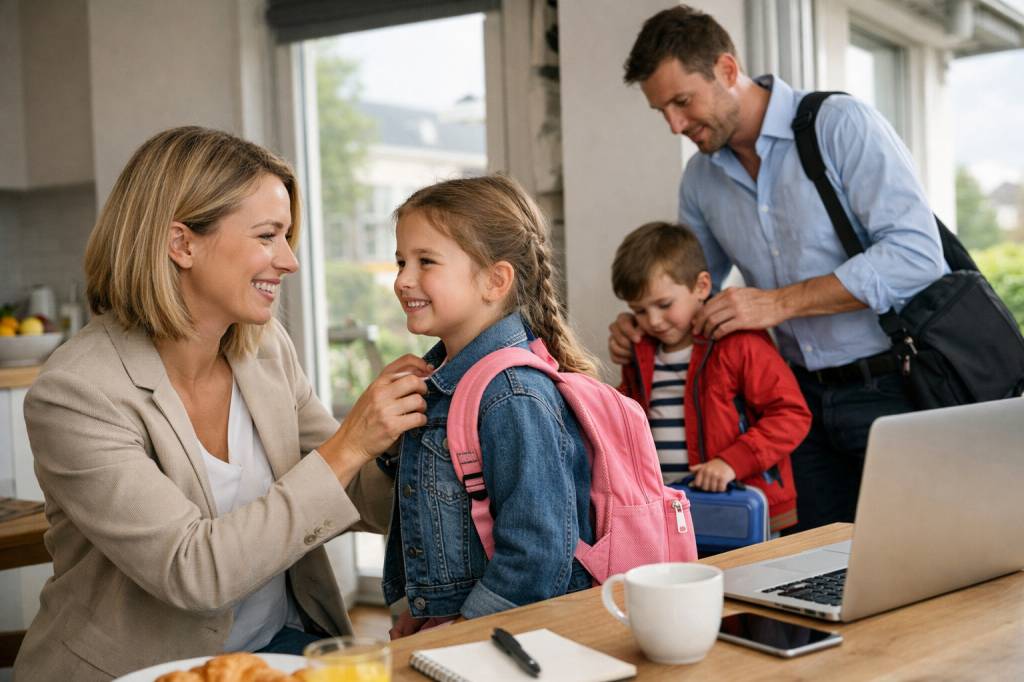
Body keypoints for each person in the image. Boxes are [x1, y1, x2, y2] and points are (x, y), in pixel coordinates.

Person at [14, 127, 431, 681]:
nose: (290, 261)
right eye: (268, 236)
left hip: (277, 648)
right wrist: (352, 442)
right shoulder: (76, 393)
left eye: (287, 237)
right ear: (182, 244)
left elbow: (352, 492)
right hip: (142, 671)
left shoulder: (264, 350)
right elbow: (194, 571)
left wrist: (424, 445)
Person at [608, 6, 945, 531]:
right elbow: (693, 287)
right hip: (791, 405)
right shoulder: (700, 180)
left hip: (891, 390)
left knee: (916, 553)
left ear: (726, 69)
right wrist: (643, 325)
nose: (675, 125)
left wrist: (779, 303)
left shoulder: (839, 124)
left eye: (682, 102)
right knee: (812, 566)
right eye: (662, 112)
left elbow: (916, 254)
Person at [382, 175, 596, 637]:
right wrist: (421, 615)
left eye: (425, 262)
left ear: (495, 281)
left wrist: (460, 631)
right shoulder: (442, 382)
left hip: (505, 637)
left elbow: (536, 554)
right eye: (401, 261)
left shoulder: (512, 394)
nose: (402, 280)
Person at [612, 221, 809, 533]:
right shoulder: (638, 354)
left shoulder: (740, 342)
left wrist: (733, 462)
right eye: (639, 311)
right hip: (668, 516)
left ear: (702, 286)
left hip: (743, 509)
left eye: (664, 305)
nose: (654, 321)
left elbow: (792, 414)